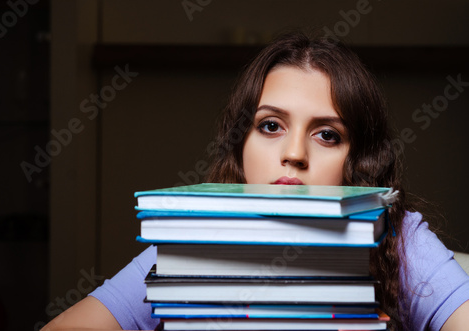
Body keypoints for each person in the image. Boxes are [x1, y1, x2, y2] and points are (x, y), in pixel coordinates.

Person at [43, 31, 469, 331]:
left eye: (327, 135)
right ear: (240, 144)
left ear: (356, 159)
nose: (295, 154)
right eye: (270, 126)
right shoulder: (189, 241)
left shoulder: (399, 239)